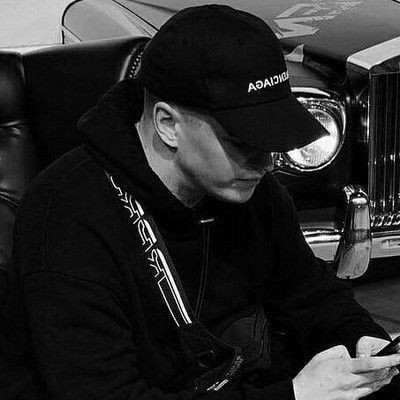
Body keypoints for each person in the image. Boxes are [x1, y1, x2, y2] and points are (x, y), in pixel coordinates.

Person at [0, 4, 400, 400]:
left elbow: (311, 295)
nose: (266, 162)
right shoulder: (66, 221)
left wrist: (362, 339)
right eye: (243, 141)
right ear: (168, 125)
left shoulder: (248, 185)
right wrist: (294, 395)